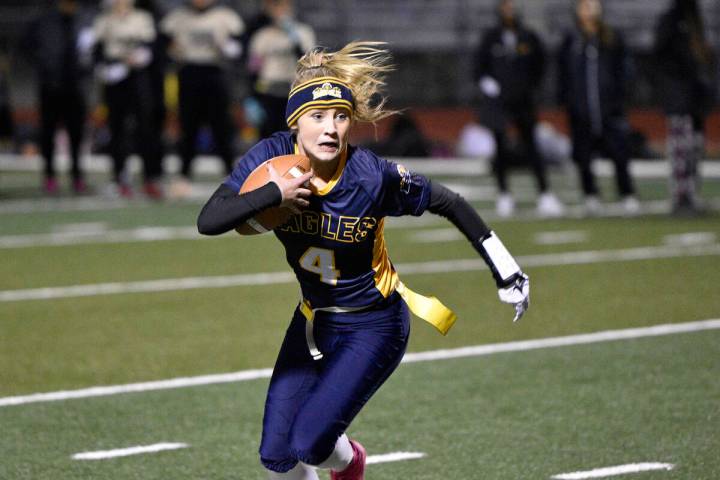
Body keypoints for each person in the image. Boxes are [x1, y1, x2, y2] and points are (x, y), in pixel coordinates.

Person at [197, 41, 530, 479]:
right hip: (314, 320)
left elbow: (449, 200)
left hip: (374, 324)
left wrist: (505, 267)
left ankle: (351, 462)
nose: (331, 128)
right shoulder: (269, 160)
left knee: (310, 444)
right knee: (277, 456)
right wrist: (272, 195)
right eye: (317, 117)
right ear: (295, 122)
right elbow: (210, 219)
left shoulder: (370, 176)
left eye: (340, 116)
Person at [473, 0, 564, 218]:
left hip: (523, 101)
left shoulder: (528, 37)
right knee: (501, 148)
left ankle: (545, 194)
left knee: (532, 146)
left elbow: (540, 65)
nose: (509, 11)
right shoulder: (490, 38)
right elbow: (478, 68)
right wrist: (488, 84)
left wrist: (530, 87)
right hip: (499, 104)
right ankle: (504, 195)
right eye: (505, 7)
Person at [558, 0, 639, 216]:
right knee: (584, 156)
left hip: (609, 109)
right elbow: (563, 74)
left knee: (619, 154)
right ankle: (590, 195)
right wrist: (569, 102)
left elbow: (624, 70)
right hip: (581, 111)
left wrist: (619, 98)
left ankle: (627, 194)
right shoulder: (572, 39)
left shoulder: (611, 37)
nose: (589, 10)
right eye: (584, 6)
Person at [160, 0, 245, 198]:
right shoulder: (178, 17)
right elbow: (161, 44)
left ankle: (231, 176)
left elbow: (239, 47)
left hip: (214, 72)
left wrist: (228, 46)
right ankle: (183, 175)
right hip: (188, 73)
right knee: (188, 127)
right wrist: (172, 50)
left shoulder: (224, 16)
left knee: (221, 126)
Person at [92, 0, 163, 198]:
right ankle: (120, 177)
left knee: (145, 129)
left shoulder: (142, 18)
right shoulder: (104, 20)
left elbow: (150, 48)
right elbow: (97, 51)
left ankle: (150, 177)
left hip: (137, 79)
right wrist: (106, 69)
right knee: (117, 130)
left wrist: (138, 58)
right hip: (114, 80)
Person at [654, 0, 717, 215]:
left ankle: (690, 193)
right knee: (681, 149)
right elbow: (661, 54)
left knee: (694, 148)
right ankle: (681, 196)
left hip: (694, 99)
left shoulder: (695, 19)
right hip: (679, 99)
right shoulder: (672, 19)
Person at [23, 0, 88, 195]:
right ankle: (49, 177)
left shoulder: (83, 21)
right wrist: (44, 68)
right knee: (48, 134)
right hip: (50, 88)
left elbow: (92, 51)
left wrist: (85, 71)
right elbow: (25, 47)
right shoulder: (44, 21)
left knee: (77, 135)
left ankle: (77, 177)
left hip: (75, 88)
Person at [245, 0, 316, 138]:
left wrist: (295, 41)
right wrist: (252, 97)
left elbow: (309, 63)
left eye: (283, 6)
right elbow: (254, 70)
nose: (279, 11)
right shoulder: (262, 36)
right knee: (268, 138)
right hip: (268, 92)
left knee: (292, 138)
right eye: (275, 6)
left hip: (294, 92)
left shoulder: (303, 33)